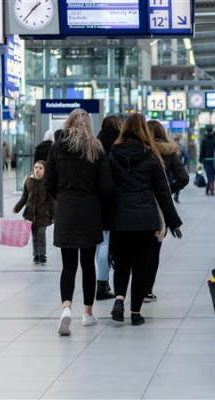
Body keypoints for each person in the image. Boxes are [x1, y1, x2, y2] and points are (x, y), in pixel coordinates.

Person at [107, 113, 182, 326]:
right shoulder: (151, 157)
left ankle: (119, 300)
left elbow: (106, 188)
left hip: (119, 218)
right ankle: (136, 313)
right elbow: (163, 193)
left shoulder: (112, 155)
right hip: (144, 220)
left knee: (121, 264)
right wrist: (173, 221)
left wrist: (105, 217)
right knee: (140, 266)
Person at [44, 109, 113, 335]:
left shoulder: (56, 146)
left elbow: (48, 182)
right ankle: (87, 313)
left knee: (68, 265)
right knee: (87, 265)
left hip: (66, 209)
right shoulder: (96, 147)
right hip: (90, 210)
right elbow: (106, 185)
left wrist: (61, 198)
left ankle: (66, 308)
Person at [145, 120, 189, 302]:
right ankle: (147, 289)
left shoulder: (141, 150)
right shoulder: (169, 152)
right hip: (159, 206)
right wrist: (166, 190)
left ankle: (132, 288)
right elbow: (183, 178)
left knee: (139, 248)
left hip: (137, 201)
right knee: (154, 249)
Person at [95, 115, 122, 301]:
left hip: (95, 198)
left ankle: (101, 282)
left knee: (99, 242)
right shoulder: (119, 142)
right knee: (107, 242)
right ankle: (102, 284)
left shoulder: (96, 143)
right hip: (114, 197)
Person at [13, 160, 56, 265]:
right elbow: (24, 197)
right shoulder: (29, 181)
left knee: (41, 233)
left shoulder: (47, 183)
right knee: (34, 235)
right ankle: (35, 255)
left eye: (40, 168)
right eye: (36, 167)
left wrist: (53, 215)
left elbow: (52, 201)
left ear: (45, 170)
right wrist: (17, 208)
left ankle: (42, 255)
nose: (38, 170)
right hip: (31, 214)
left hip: (43, 214)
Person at [199, 128, 215, 196]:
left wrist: (200, 160)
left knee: (208, 175)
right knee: (212, 175)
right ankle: (209, 188)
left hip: (206, 160)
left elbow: (202, 151)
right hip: (214, 160)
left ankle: (210, 188)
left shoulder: (204, 140)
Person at [172, 135, 189, 203]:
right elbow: (186, 156)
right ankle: (176, 196)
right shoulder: (181, 147)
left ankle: (168, 195)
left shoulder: (169, 147)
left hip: (170, 168)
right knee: (178, 181)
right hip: (178, 167)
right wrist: (183, 164)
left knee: (169, 181)